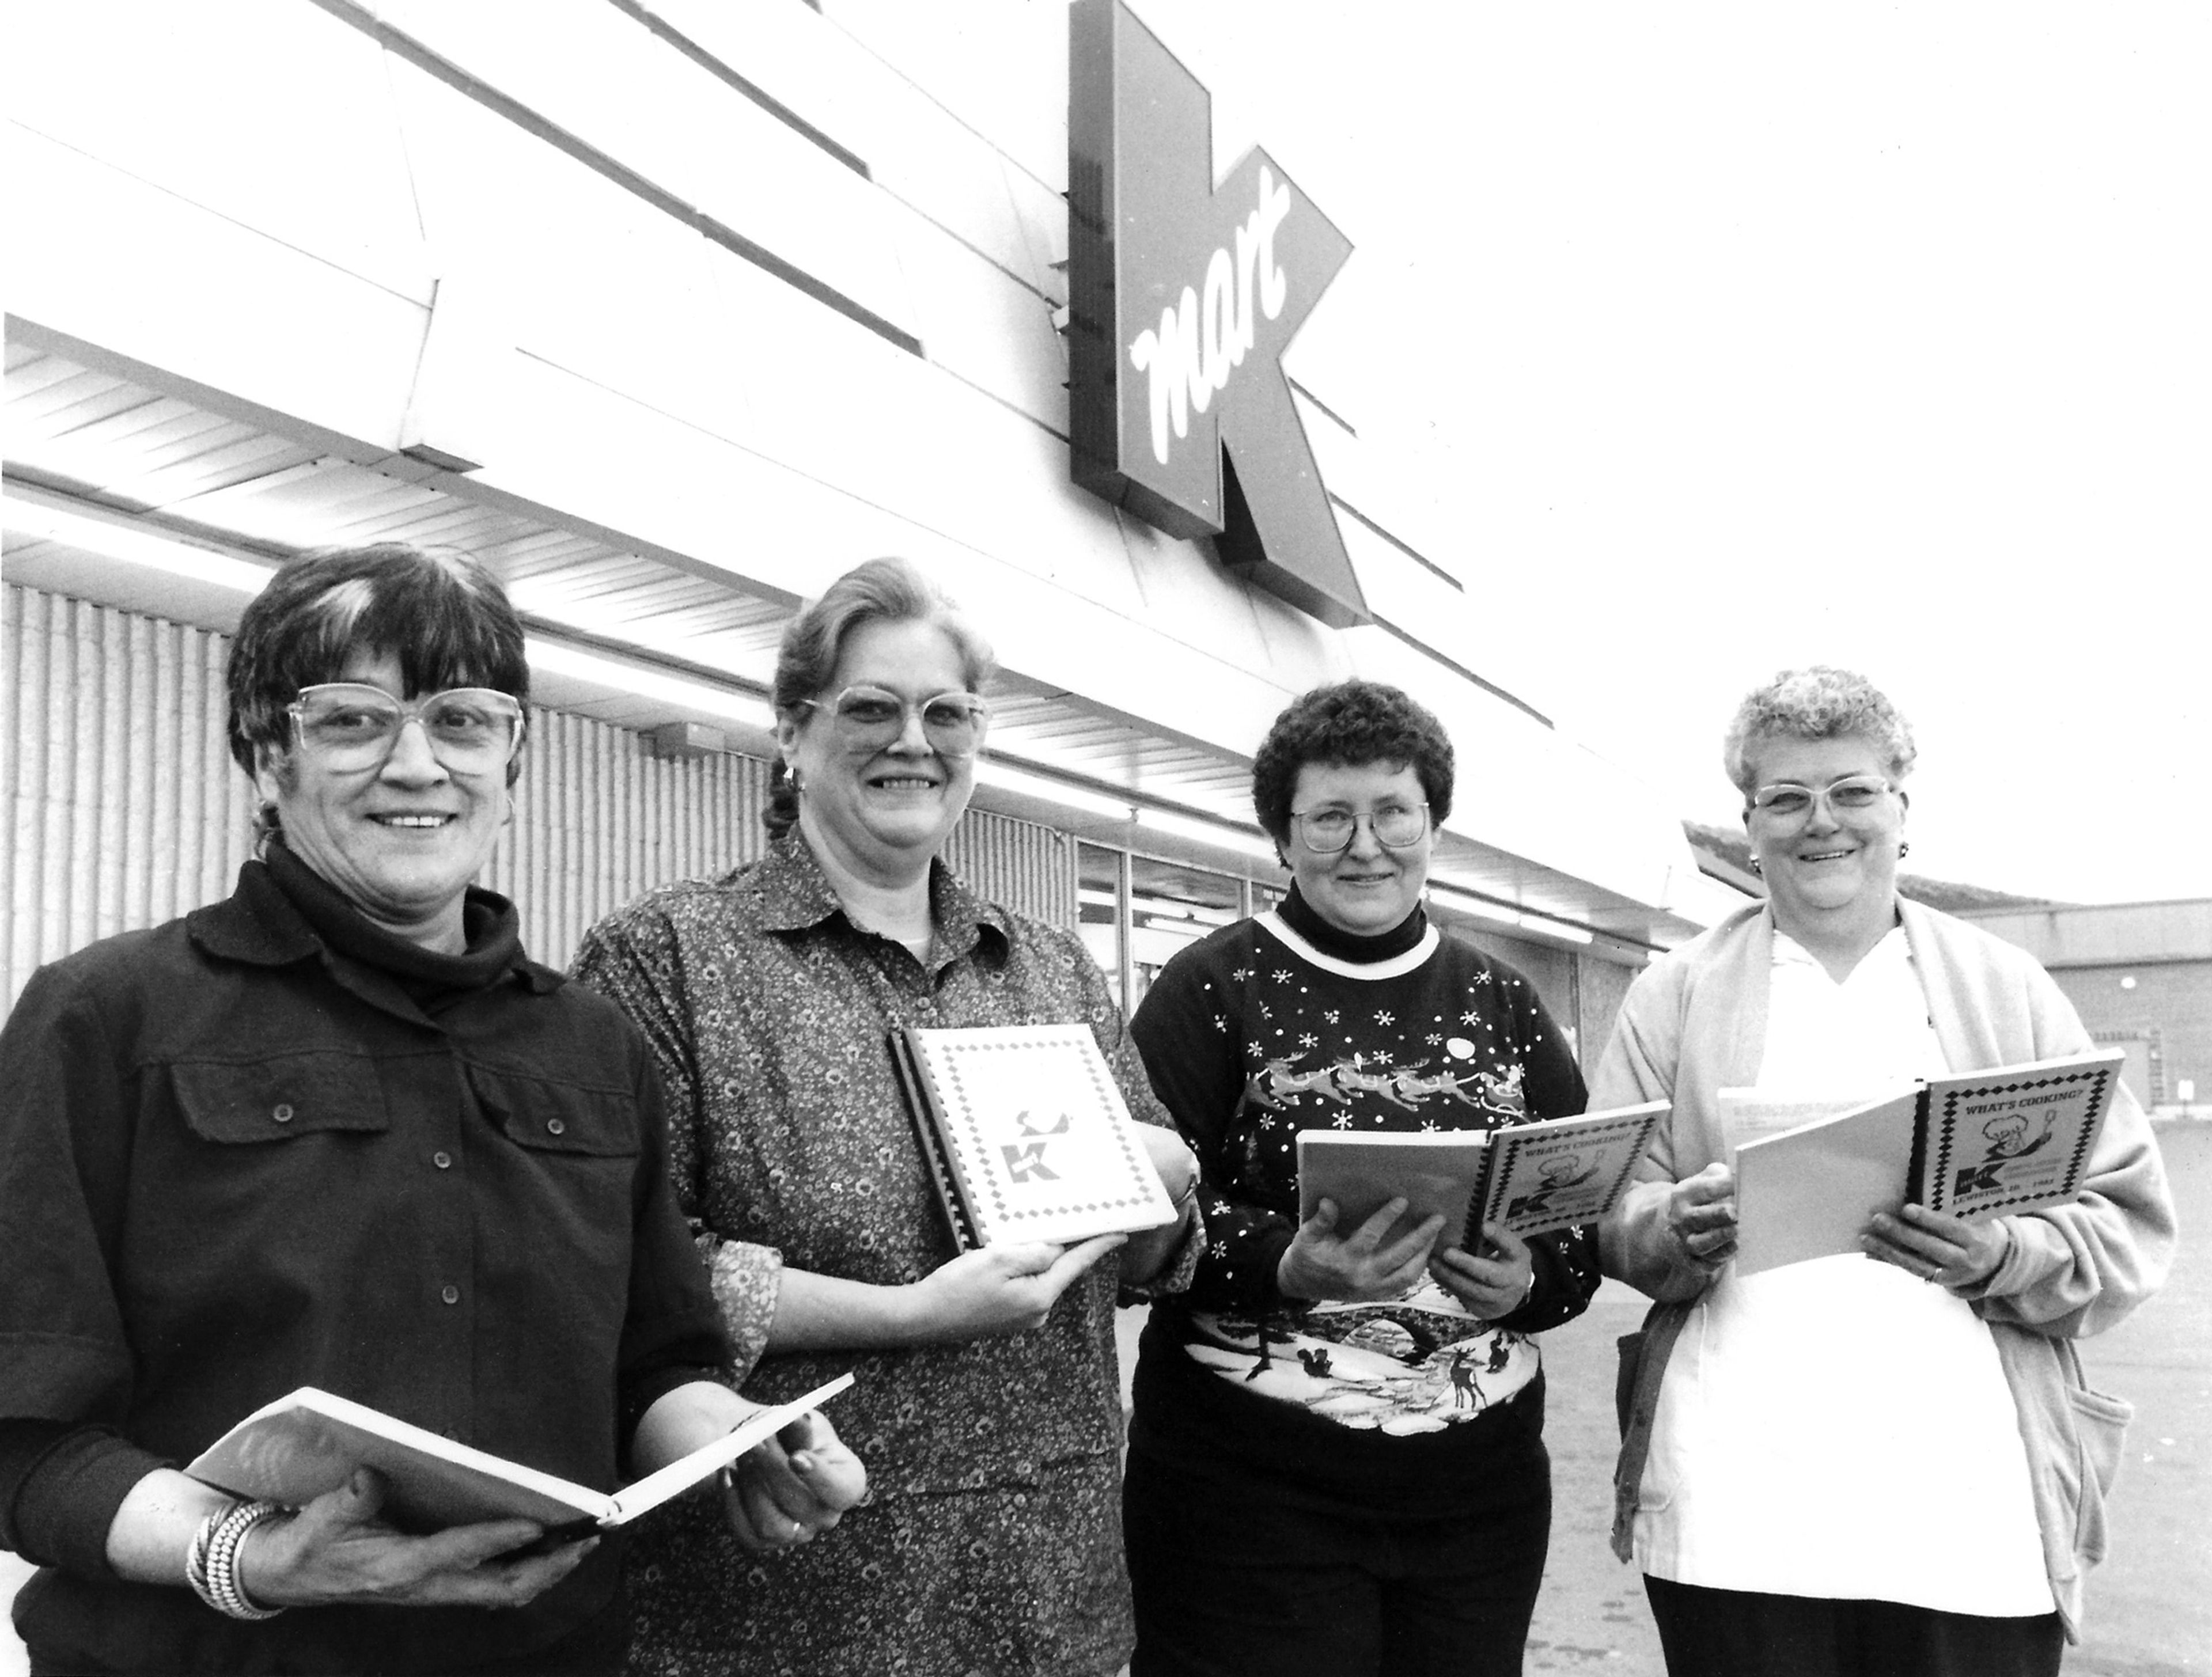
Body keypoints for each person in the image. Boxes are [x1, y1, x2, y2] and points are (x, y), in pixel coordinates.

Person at [0, 545, 864, 1676]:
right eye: (355, 721)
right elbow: (24, 1438)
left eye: (462, 721)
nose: (419, 766)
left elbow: (660, 1370)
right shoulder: (107, 1022)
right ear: (266, 757)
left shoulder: (595, 1048)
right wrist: (243, 1554)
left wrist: (737, 1443)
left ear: (513, 761)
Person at [570, 556, 1203, 1677]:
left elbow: (1154, 1260)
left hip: (1042, 1596)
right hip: (784, 1611)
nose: (912, 739)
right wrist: (909, 1311)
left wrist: (1164, 1172)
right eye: (870, 707)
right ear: (793, 732)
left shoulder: (1049, 967)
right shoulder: (668, 959)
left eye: (945, 711)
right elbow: (628, 1273)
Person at [1596, 666, 2176, 1677]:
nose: (1821, 822)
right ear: (1749, 825)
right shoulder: (1673, 994)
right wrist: (1668, 1226)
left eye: (1852, 791)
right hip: (1740, 1503)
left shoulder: (2008, 990)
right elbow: (1609, 1201)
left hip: (1967, 1510)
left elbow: (2125, 1219)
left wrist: (2002, 1249)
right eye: (1786, 798)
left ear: (1902, 808)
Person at [1119, 678, 1601, 1677]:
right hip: (1250, 1497)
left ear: (1434, 823)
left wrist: (1531, 1282)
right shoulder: (1210, 989)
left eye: (1394, 812)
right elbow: (1135, 1221)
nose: (1365, 843)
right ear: (1281, 838)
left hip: (1479, 1500)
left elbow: (1576, 1217)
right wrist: (1286, 1269)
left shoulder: (1503, 1001)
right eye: (1330, 817)